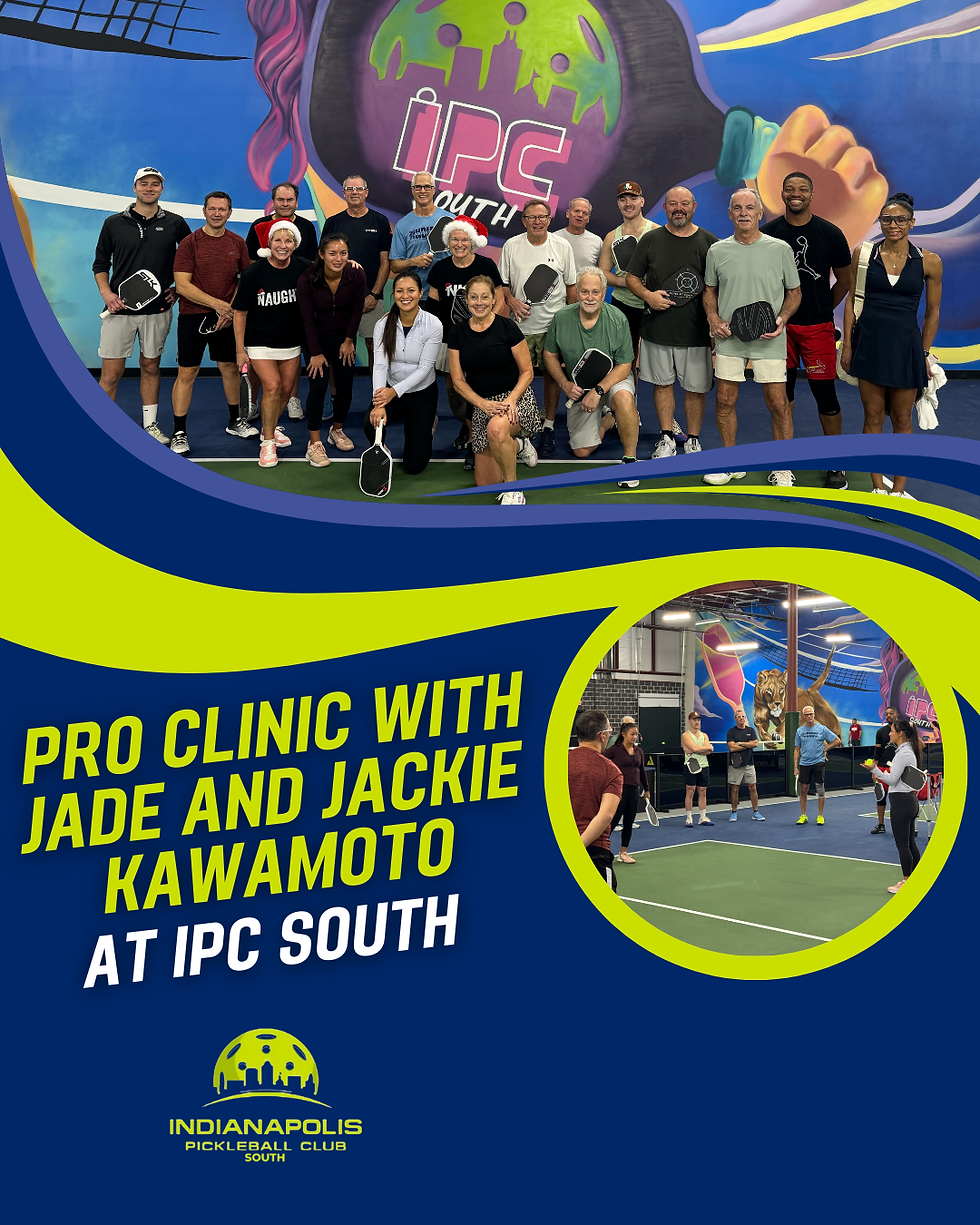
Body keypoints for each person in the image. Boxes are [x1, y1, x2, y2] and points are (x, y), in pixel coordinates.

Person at [840, 192, 943, 499]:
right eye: (887, 219)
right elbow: (850, 302)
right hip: (869, 346)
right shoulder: (863, 255)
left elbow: (933, 312)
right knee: (871, 417)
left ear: (911, 223)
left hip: (905, 351)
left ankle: (898, 490)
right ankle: (876, 487)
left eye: (900, 219)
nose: (893, 225)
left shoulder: (930, 262)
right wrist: (847, 347)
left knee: (902, 421)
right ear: (880, 222)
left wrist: (923, 352)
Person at [703, 189, 802, 488]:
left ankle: (783, 468)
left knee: (778, 404)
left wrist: (782, 318)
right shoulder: (717, 251)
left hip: (768, 339)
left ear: (760, 213)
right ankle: (730, 463)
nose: (743, 213)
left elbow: (794, 292)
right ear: (730, 213)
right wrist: (713, 319)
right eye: (737, 208)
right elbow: (710, 291)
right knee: (724, 400)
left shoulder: (780, 249)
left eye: (750, 208)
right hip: (729, 338)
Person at [761, 172, 852, 491]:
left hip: (817, 328)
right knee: (780, 395)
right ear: (782, 193)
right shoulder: (767, 234)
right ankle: (783, 463)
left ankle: (835, 462)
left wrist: (824, 306)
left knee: (825, 394)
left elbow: (845, 279)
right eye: (789, 189)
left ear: (812, 195)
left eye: (802, 189)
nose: (795, 194)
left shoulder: (830, 233)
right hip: (779, 330)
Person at [92, 166, 190, 443]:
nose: (149, 188)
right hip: (118, 310)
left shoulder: (176, 223)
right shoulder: (113, 223)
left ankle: (150, 426)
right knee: (111, 374)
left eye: (155, 184)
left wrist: (178, 290)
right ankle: (103, 428)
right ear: (134, 188)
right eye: (144, 184)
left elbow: (188, 262)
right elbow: (100, 264)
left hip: (157, 311)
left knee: (150, 366)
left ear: (161, 189)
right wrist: (107, 294)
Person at [625, 185, 718, 459]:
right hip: (657, 330)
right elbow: (632, 277)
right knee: (662, 385)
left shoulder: (710, 242)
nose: (679, 208)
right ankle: (666, 437)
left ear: (694, 207)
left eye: (685, 203)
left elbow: (717, 287)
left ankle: (693, 440)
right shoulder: (650, 240)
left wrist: (714, 324)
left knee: (695, 389)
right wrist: (648, 296)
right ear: (665, 207)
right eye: (673, 203)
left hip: (696, 333)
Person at [170, 191, 253, 455]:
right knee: (187, 373)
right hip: (193, 316)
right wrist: (218, 305)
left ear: (230, 213)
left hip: (227, 319)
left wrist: (230, 311)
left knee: (229, 368)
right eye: (212, 209)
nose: (217, 213)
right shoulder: (189, 243)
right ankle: (179, 432)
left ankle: (235, 421)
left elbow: (244, 280)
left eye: (222, 209)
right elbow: (182, 285)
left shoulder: (238, 243)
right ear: (204, 211)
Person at [542, 266, 641, 488]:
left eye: (595, 292)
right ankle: (609, 421)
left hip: (614, 378)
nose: (590, 297)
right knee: (581, 451)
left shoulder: (618, 319)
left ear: (604, 293)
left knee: (624, 398)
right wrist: (565, 384)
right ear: (576, 292)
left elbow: (625, 364)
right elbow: (549, 355)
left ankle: (630, 460)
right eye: (584, 291)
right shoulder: (561, 318)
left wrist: (598, 391)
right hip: (579, 385)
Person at [448, 274, 542, 506]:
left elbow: (528, 372)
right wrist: (482, 404)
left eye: (484, 297)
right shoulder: (457, 334)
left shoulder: (507, 327)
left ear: (493, 300)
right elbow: (458, 381)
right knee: (486, 483)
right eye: (473, 297)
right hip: (483, 404)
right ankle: (520, 444)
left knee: (498, 430)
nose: (479, 302)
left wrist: (511, 400)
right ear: (466, 300)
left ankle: (514, 490)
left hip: (515, 399)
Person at [498, 199, 577, 457]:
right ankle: (522, 427)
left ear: (549, 219)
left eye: (542, 217)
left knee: (553, 377)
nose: (537, 221)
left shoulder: (562, 246)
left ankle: (549, 425)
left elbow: (571, 288)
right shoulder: (511, 245)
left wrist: (570, 322)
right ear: (524, 220)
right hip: (520, 328)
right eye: (532, 217)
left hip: (551, 327)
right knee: (520, 378)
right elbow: (504, 284)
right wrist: (511, 301)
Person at [232, 220, 310, 469]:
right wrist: (240, 349)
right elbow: (240, 312)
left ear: (295, 244)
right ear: (269, 243)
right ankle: (267, 443)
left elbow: (331, 270)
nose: (283, 245)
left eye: (288, 241)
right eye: (278, 240)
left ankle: (272, 426)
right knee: (273, 386)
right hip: (259, 342)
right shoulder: (254, 273)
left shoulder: (304, 268)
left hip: (290, 341)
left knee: (287, 390)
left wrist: (350, 264)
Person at [426, 216, 504, 463]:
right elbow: (433, 303)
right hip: (451, 341)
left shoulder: (487, 266)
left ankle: (475, 439)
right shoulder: (440, 269)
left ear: (472, 241)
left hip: (481, 339)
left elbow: (499, 300)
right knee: (455, 390)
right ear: (448, 242)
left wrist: (487, 327)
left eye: (464, 239)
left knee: (478, 386)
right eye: (454, 239)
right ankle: (468, 425)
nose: (459, 244)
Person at [244, 181, 319, 421]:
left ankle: (293, 398)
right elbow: (250, 262)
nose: (285, 204)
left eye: (290, 200)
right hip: (265, 302)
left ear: (296, 202)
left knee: (292, 355)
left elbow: (314, 264)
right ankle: (253, 401)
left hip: (297, 303)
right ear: (273, 202)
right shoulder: (259, 226)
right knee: (261, 359)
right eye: (281, 200)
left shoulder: (307, 227)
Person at [297, 232, 366, 464]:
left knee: (345, 387)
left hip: (344, 339)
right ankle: (314, 442)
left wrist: (349, 340)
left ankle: (336, 430)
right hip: (316, 338)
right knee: (318, 386)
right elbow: (307, 319)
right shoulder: (306, 279)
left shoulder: (357, 275)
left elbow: (357, 310)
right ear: (321, 255)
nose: (338, 258)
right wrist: (315, 353)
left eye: (343, 253)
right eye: (333, 253)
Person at [368, 272, 443, 475]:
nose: (405, 295)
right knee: (370, 423)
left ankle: (428, 424)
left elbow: (425, 368)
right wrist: (379, 403)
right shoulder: (382, 324)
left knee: (414, 467)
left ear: (420, 293)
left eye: (411, 290)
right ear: (393, 294)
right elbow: (380, 366)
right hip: (392, 389)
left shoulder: (433, 324)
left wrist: (393, 393)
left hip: (421, 393)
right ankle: (383, 452)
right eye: (400, 291)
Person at [322, 174, 391, 376]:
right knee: (338, 349)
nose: (354, 193)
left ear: (366, 193)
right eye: (350, 189)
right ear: (343, 193)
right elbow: (324, 261)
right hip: (338, 300)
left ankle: (376, 399)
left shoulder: (380, 221)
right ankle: (338, 400)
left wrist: (374, 295)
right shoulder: (333, 223)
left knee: (375, 348)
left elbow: (385, 261)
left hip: (371, 299)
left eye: (359, 189)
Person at [598, 181, 658, 364]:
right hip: (623, 305)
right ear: (618, 204)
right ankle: (631, 393)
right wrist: (628, 282)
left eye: (633, 198)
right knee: (625, 358)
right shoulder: (611, 237)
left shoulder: (657, 232)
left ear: (642, 201)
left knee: (657, 359)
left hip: (652, 304)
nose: (628, 203)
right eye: (623, 199)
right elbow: (603, 273)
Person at [863, 718, 923, 892]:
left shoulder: (903, 754)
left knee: (903, 845)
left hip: (902, 804)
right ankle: (916, 879)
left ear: (900, 733)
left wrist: (874, 769)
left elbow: (891, 779)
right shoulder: (908, 751)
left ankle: (906, 882)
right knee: (910, 843)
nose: (889, 733)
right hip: (909, 802)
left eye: (892, 730)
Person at [568, 709, 623, 890]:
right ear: (603, 736)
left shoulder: (556, 763)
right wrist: (577, 849)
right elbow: (605, 815)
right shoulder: (611, 771)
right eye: (609, 730)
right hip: (594, 854)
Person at [388, 171, 452, 292]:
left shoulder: (451, 220)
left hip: (446, 293)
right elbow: (395, 266)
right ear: (413, 190)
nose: (423, 191)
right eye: (418, 187)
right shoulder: (403, 225)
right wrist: (414, 261)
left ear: (434, 190)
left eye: (427, 187)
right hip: (417, 294)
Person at [603, 720, 650, 864]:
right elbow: (601, 760)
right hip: (618, 792)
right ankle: (601, 851)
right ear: (623, 734)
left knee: (628, 823)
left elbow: (642, 771)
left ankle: (623, 853)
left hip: (634, 792)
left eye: (636, 734)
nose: (635, 737)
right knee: (612, 822)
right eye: (632, 734)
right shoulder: (615, 750)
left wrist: (646, 789)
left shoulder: (639, 751)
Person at [794, 705, 842, 825]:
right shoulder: (800, 731)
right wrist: (795, 767)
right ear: (804, 716)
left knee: (820, 789)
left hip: (818, 763)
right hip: (804, 763)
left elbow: (837, 740)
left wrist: (826, 749)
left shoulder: (822, 729)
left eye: (811, 714)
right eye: (807, 715)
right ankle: (803, 815)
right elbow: (796, 749)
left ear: (814, 715)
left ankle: (820, 816)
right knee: (804, 789)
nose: (809, 716)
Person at [727, 707, 764, 821]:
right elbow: (732, 748)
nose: (741, 719)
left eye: (743, 716)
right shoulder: (731, 732)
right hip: (736, 765)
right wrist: (747, 744)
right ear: (735, 719)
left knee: (753, 788)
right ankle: (734, 812)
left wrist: (741, 743)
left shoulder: (751, 731)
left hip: (749, 764)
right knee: (735, 789)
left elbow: (755, 744)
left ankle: (756, 812)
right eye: (739, 717)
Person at [681, 711, 714, 827]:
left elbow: (708, 751)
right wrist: (706, 748)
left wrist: (701, 749)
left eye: (698, 720)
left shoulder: (704, 735)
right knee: (690, 790)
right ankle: (689, 818)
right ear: (690, 722)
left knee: (703, 791)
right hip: (690, 766)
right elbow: (695, 748)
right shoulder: (686, 735)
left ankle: (702, 817)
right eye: (694, 720)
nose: (697, 722)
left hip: (704, 766)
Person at [871, 706, 898, 834]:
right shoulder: (880, 732)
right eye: (886, 714)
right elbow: (877, 753)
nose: (888, 716)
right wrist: (874, 771)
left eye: (891, 713)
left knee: (897, 799)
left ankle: (899, 825)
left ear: (896, 714)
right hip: (882, 769)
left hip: (897, 769)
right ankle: (881, 825)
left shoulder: (903, 731)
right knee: (880, 797)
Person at [559, 197, 603, 272]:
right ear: (568, 213)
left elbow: (601, 272)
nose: (580, 215)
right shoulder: (555, 238)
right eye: (576, 211)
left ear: (588, 219)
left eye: (585, 213)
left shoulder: (597, 242)